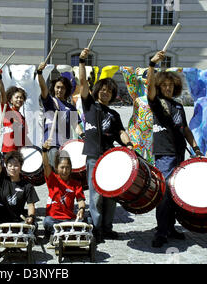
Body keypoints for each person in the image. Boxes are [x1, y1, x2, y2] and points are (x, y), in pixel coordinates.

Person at [147, 50, 203, 248]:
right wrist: (152, 65)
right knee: (163, 193)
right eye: (164, 85)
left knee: (174, 191)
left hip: (179, 153)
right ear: (159, 87)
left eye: (171, 85)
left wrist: (195, 147)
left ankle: (170, 227)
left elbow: (185, 128)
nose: (168, 88)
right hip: (164, 154)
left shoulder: (178, 105)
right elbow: (149, 91)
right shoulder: (156, 102)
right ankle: (161, 232)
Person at [79, 48, 134, 242]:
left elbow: (121, 132)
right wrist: (82, 62)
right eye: (103, 89)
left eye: (110, 91)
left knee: (111, 196)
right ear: (97, 91)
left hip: (110, 158)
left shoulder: (114, 114)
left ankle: (107, 228)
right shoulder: (89, 105)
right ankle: (95, 229)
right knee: (95, 196)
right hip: (94, 156)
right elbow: (83, 83)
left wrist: (129, 144)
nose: (106, 92)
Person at [0, 131, 39, 249]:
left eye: (16, 165)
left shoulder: (27, 185)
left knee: (34, 225)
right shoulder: (3, 180)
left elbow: (31, 205)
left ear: (21, 166)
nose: (13, 168)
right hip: (1, 220)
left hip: (18, 220)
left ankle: (4, 237)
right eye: (10, 165)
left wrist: (30, 217)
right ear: (6, 166)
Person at [37, 62, 83, 168]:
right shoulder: (50, 102)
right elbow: (43, 88)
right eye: (57, 87)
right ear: (54, 88)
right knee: (55, 173)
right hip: (51, 144)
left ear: (66, 90)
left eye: (62, 88)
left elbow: (75, 125)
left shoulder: (71, 107)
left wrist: (82, 134)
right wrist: (39, 73)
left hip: (65, 145)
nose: (59, 90)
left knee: (64, 173)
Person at [41, 138, 86, 239]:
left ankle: (60, 233)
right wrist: (44, 151)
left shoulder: (76, 184)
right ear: (56, 168)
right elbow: (46, 165)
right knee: (47, 221)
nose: (65, 170)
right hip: (53, 219)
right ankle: (66, 233)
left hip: (69, 219)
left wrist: (82, 209)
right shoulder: (52, 179)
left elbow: (80, 200)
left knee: (86, 221)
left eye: (67, 167)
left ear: (71, 168)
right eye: (62, 167)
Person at [0, 69, 33, 153]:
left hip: (20, 153)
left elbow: (25, 137)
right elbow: (2, 93)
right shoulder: (8, 112)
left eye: (21, 97)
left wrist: (34, 149)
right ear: (11, 100)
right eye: (17, 97)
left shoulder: (22, 118)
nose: (19, 99)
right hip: (9, 151)